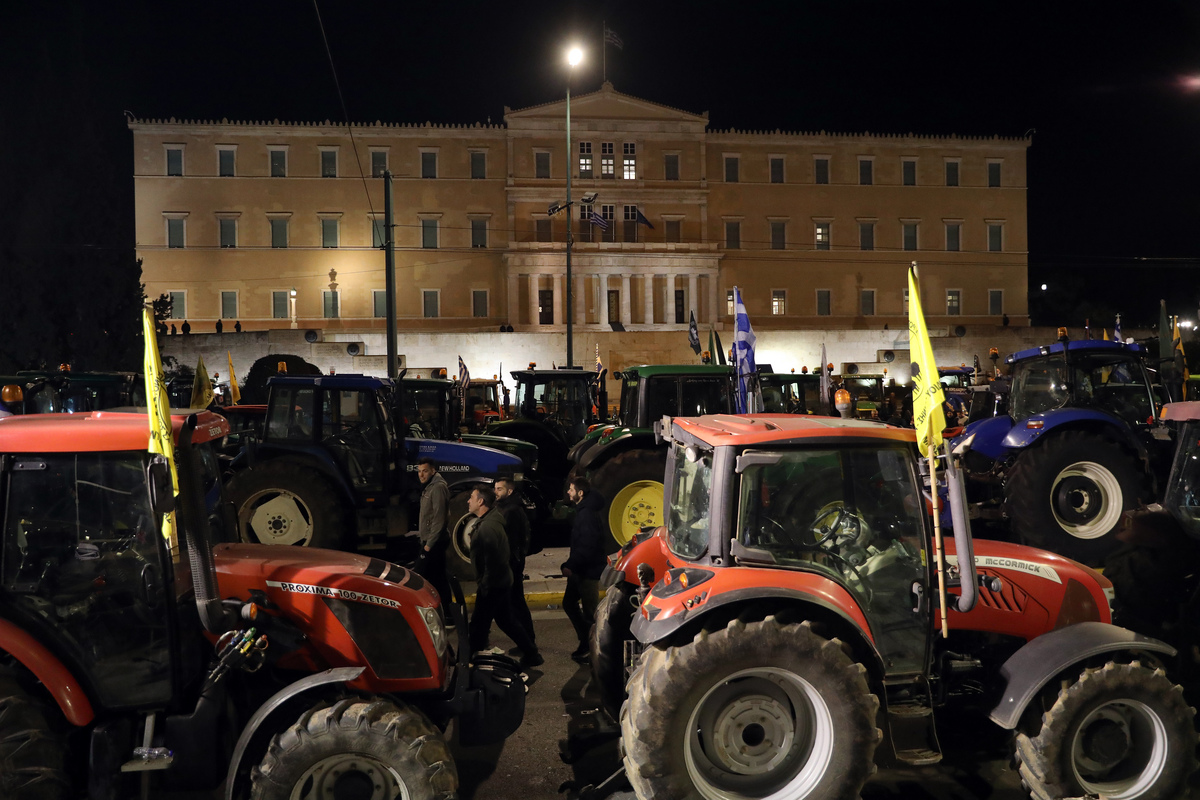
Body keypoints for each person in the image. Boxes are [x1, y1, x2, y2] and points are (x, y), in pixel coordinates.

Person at [466, 486, 542, 669]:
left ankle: (468, 660)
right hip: (498, 582)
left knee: (478, 623)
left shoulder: (488, 528)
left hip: (493, 584)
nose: (468, 501)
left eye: (471, 497)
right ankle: (532, 654)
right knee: (505, 620)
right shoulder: (489, 521)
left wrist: (485, 584)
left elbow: (495, 560)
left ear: (480, 502)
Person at [562, 476, 607, 663]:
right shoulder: (584, 510)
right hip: (581, 569)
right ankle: (585, 642)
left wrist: (570, 565)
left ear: (580, 493)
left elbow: (587, 546)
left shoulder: (587, 514)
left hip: (587, 572)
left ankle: (593, 650)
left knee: (590, 615)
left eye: (571, 490)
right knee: (568, 603)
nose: (568, 492)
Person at [494, 477, 535, 650]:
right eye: (495, 488)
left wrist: (510, 563)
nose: (495, 492)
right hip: (513, 563)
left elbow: (511, 541)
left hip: (512, 564)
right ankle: (526, 640)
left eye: (499, 489)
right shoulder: (505, 508)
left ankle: (527, 641)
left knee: (516, 603)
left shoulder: (511, 510)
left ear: (509, 491)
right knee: (516, 602)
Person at [415, 459, 452, 611]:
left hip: (435, 542)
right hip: (430, 541)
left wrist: (428, 546)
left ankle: (447, 612)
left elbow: (439, 519)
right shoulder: (429, 486)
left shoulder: (437, 488)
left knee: (433, 579)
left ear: (433, 471)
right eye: (419, 471)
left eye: (424, 471)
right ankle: (445, 612)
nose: (421, 475)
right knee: (436, 578)